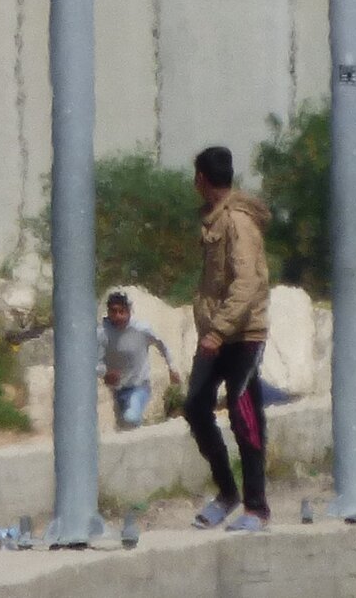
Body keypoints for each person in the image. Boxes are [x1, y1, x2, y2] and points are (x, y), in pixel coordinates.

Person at [184, 146, 274, 533]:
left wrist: (219, 330)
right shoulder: (213, 220)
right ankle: (227, 493)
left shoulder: (239, 221)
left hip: (242, 334)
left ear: (202, 178)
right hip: (216, 335)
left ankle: (257, 508)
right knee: (195, 406)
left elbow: (248, 282)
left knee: (244, 416)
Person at [96, 291, 181, 430]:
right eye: (113, 312)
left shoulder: (141, 329)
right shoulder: (102, 334)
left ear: (129, 311)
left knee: (131, 417)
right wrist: (105, 373)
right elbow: (94, 363)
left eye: (121, 311)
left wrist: (171, 368)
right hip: (116, 390)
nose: (118, 316)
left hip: (139, 385)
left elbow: (162, 346)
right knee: (123, 427)